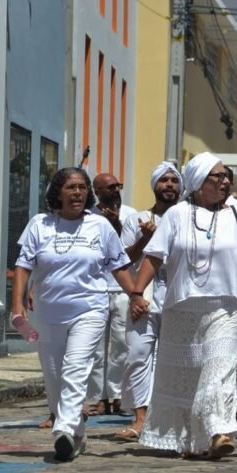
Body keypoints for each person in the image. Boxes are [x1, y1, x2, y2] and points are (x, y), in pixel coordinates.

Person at [129, 152, 237, 459]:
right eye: (219, 176)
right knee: (188, 376)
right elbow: (154, 255)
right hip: (183, 306)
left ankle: (218, 431)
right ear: (200, 181)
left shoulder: (235, 216)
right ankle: (190, 437)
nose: (226, 181)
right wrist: (137, 292)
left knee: (219, 365)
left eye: (226, 176)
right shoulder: (177, 215)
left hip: (225, 305)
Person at [12, 167, 133, 461]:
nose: (77, 193)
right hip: (48, 313)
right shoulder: (40, 225)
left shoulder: (100, 226)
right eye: (70, 187)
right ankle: (76, 433)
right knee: (54, 379)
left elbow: (119, 266)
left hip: (90, 309)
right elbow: (23, 267)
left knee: (75, 368)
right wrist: (17, 305)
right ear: (58, 192)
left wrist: (136, 295)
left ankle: (63, 428)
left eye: (82, 187)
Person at [112, 161, 181, 443]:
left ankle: (171, 420)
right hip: (144, 297)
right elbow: (122, 259)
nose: (169, 185)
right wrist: (146, 239)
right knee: (138, 356)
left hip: (178, 298)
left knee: (174, 360)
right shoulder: (136, 219)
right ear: (154, 185)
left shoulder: (188, 217)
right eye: (164, 180)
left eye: (174, 181)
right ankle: (140, 418)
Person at [85, 173, 136, 416]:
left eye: (118, 185)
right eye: (110, 186)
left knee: (121, 346)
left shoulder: (131, 215)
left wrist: (116, 226)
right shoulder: (87, 218)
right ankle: (97, 398)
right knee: (94, 347)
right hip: (95, 288)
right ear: (97, 190)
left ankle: (116, 395)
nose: (116, 189)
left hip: (122, 289)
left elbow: (129, 254)